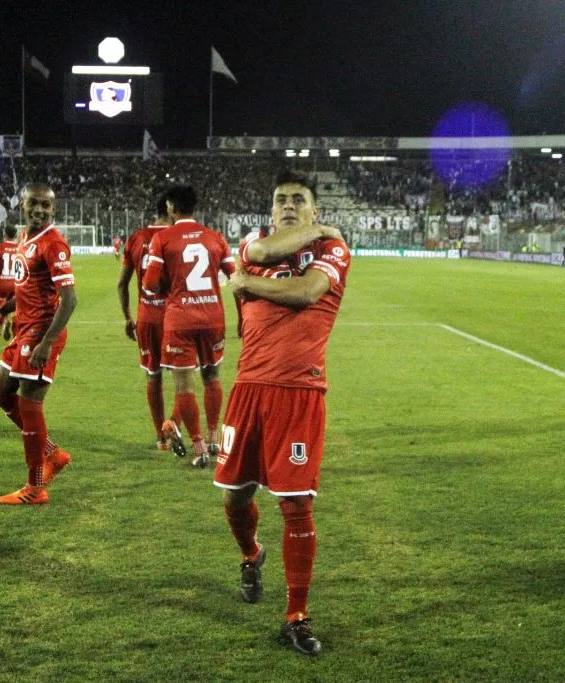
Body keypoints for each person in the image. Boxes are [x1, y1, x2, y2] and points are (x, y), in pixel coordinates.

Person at [217, 170, 351, 657]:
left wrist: (249, 285)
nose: (289, 206)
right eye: (281, 201)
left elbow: (306, 293)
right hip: (248, 387)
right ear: (271, 211)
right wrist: (311, 234)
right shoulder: (255, 240)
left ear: (315, 208)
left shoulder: (335, 253)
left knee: (296, 505)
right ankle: (252, 556)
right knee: (234, 495)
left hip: (299, 391)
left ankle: (295, 615)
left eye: (299, 200)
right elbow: (256, 255)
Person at [0, 183, 77, 506]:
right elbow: (26, 287)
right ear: (22, 205)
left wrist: (46, 342)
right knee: (0, 393)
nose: (39, 210)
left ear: (53, 210)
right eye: (33, 204)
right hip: (24, 331)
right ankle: (53, 454)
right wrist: (3, 311)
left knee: (29, 405)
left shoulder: (53, 244)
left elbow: (70, 300)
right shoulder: (25, 238)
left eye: (45, 206)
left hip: (41, 334)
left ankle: (35, 486)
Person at [142, 184, 236, 467]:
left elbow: (148, 284)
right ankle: (213, 438)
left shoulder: (163, 238)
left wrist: (171, 290)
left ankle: (198, 449)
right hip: (212, 317)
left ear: (171, 207)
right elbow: (236, 277)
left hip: (180, 319)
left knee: (184, 386)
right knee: (212, 377)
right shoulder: (215, 237)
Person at [117, 193, 179, 451]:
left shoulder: (136, 238)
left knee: (153, 377)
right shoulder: (177, 238)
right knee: (183, 380)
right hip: (175, 319)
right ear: (171, 209)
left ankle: (160, 437)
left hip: (146, 318)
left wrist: (128, 318)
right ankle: (173, 423)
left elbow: (122, 284)